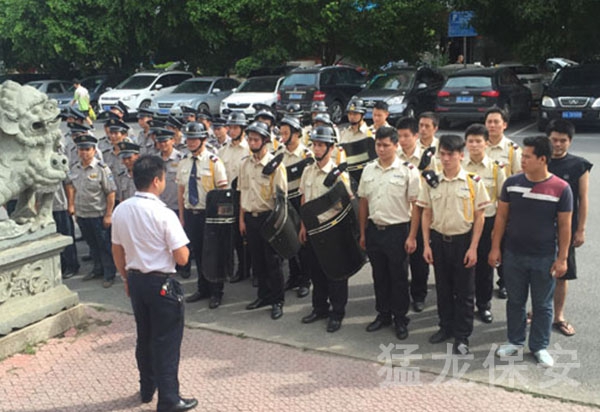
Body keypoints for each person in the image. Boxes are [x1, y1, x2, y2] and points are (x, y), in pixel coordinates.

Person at [111, 155, 198, 412]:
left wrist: (126, 278)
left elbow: (117, 250)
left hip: (136, 279)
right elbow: (182, 257)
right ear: (157, 180)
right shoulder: (163, 213)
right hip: (161, 282)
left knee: (144, 336)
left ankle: (147, 387)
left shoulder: (122, 209)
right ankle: (169, 398)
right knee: (166, 342)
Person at [490, 135, 573, 368]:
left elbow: (565, 226)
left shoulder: (560, 188)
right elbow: (502, 217)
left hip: (544, 256)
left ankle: (539, 346)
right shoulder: (512, 183)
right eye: (522, 156)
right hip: (513, 254)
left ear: (542, 159)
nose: (522, 160)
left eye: (527, 156)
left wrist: (562, 258)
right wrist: (496, 248)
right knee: (515, 301)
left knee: (542, 304)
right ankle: (515, 342)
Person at [417, 134, 490, 355]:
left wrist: (474, 247)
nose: (446, 159)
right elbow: (426, 213)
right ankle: (445, 327)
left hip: (463, 242)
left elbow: (480, 217)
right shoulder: (432, 181)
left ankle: (462, 336)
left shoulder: (473, 181)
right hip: (439, 241)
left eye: (451, 154)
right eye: (443, 154)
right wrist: (427, 245)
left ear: (461, 155)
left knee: (465, 292)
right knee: (443, 289)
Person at [358, 126, 420, 340]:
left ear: (396, 145)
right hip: (375, 230)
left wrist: (412, 236)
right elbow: (363, 202)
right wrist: (363, 232)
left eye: (386, 145)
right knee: (379, 275)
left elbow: (416, 206)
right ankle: (383, 314)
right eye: (378, 145)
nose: (381, 149)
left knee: (399, 277)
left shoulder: (408, 170)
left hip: (398, 231)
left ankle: (400, 319)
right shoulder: (369, 169)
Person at [298, 125, 353, 332]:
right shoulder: (307, 171)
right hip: (312, 230)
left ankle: (337, 312)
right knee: (317, 270)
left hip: (332, 230)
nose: (317, 148)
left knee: (336, 273)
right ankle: (319, 307)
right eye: (315, 144)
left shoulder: (338, 174)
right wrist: (303, 226)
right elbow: (304, 199)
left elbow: (347, 203)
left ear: (331, 148)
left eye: (321, 145)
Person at [238, 121, 288, 320]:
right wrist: (242, 219)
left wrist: (277, 225)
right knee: (257, 262)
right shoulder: (245, 164)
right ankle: (263, 296)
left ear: (265, 141)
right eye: (249, 139)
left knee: (273, 262)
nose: (252, 142)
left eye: (256, 139)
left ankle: (277, 300)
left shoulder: (275, 166)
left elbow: (280, 199)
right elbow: (242, 194)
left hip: (269, 219)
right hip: (251, 218)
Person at [546, 120, 592, 337]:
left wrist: (580, 229)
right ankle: (537, 311)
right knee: (538, 272)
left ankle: (558, 316)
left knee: (562, 274)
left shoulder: (579, 165)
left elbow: (583, 199)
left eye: (562, 140)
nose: (557, 144)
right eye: (554, 139)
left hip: (566, 230)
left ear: (570, 142)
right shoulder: (540, 161)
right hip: (540, 228)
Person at [177, 122, 228, 309]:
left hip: (210, 215)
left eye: (194, 138)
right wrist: (182, 216)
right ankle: (203, 288)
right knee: (197, 253)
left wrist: (221, 221)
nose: (190, 142)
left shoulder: (214, 162)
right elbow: (181, 190)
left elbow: (223, 192)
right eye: (188, 138)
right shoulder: (184, 162)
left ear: (204, 140)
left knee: (213, 254)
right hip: (192, 214)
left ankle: (217, 291)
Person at [462, 124, 506, 324]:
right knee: (464, 266)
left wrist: (497, 231)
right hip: (465, 223)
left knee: (484, 268)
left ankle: (484, 305)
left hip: (488, 223)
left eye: (478, 141)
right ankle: (464, 305)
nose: (474, 145)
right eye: (470, 141)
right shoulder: (460, 166)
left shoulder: (496, 169)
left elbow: (503, 203)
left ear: (486, 143)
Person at [395, 117, 438, 312]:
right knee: (398, 260)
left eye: (406, 136)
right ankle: (400, 295)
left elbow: (436, 186)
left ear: (415, 136)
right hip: (398, 215)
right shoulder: (393, 156)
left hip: (419, 216)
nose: (403, 140)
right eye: (400, 136)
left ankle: (419, 295)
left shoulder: (428, 159)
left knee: (419, 261)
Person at [65, 134, 117, 288]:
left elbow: (111, 192)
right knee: (92, 245)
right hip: (82, 214)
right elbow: (70, 186)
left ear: (94, 150)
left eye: (87, 149)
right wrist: (71, 205)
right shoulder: (74, 168)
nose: (84, 152)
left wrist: (108, 214)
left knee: (104, 245)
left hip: (98, 214)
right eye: (81, 149)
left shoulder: (102, 169)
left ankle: (109, 273)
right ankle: (97, 269)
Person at [484, 106, 522, 299]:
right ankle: (482, 284)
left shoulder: (512, 150)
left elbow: (518, 178)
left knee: (503, 247)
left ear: (504, 125)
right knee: (484, 247)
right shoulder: (478, 145)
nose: (492, 125)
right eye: (489, 122)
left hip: (504, 207)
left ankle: (504, 282)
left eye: (496, 122)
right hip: (482, 208)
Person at [277, 115, 313, 298]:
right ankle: (294, 275)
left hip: (300, 201)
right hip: (285, 202)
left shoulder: (306, 155)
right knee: (288, 239)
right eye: (281, 133)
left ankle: (306, 279)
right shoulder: (279, 155)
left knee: (303, 242)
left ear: (296, 134)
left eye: (286, 133)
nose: (282, 136)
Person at [219, 112, 252, 283]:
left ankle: (253, 267)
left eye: (235, 128)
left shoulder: (249, 149)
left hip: (245, 194)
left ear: (243, 129)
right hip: (228, 196)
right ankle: (242, 268)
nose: (231, 131)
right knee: (234, 235)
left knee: (249, 233)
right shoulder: (222, 150)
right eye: (230, 127)